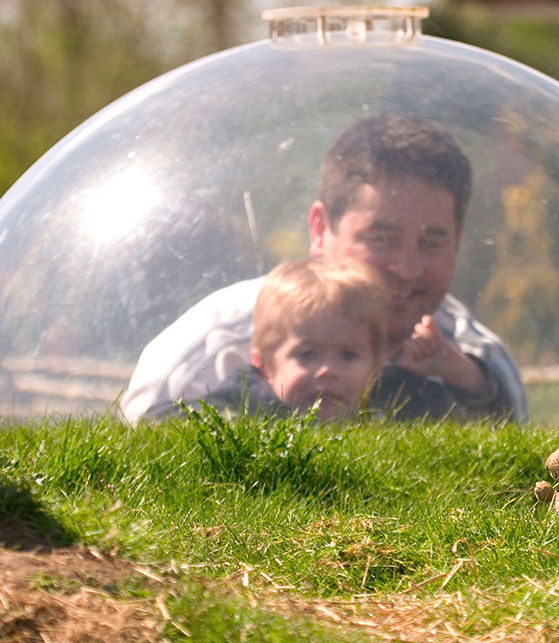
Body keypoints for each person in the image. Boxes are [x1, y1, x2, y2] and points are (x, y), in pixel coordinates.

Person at [120, 114, 528, 423]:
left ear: (457, 239)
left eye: (432, 242)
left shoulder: (473, 356)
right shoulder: (213, 349)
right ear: (319, 229)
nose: (406, 268)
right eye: (381, 238)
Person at [195, 259, 390, 420]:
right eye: (307, 354)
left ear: (376, 369)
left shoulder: (383, 413)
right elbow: (178, 418)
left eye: (348, 356)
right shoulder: (242, 407)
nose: (327, 371)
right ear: (265, 365)